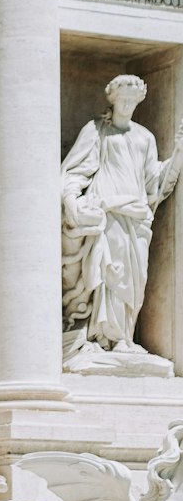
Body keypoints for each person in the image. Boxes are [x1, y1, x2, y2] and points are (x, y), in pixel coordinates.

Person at [61, 74, 183, 361]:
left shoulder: (145, 137)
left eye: (132, 100)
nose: (127, 104)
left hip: (138, 217)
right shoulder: (96, 131)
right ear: (112, 99)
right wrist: (71, 201)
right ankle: (104, 337)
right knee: (110, 273)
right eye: (122, 99)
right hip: (110, 212)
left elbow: (155, 183)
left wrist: (178, 152)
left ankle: (125, 337)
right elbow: (75, 170)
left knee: (135, 279)